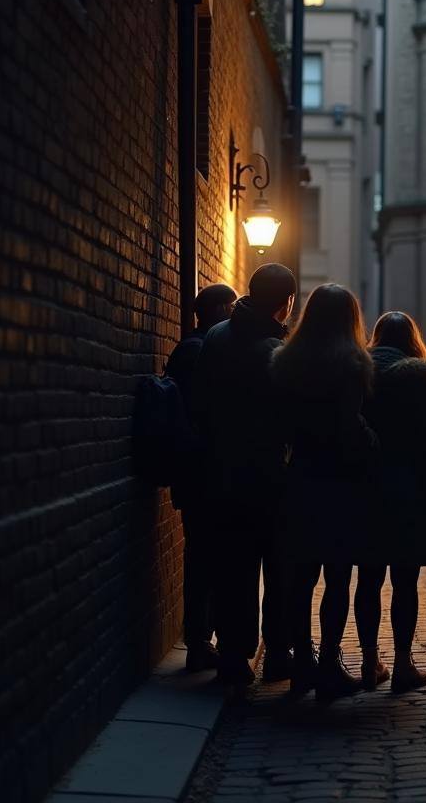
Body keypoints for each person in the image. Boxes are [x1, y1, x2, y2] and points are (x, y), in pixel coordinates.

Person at [270, 284, 380, 702]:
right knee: (337, 578)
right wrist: (373, 441)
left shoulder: (286, 363)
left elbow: (280, 428)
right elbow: (349, 428)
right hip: (340, 483)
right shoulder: (351, 364)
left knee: (300, 579)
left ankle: (303, 665)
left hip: (300, 479)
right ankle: (329, 664)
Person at [191, 263, 296, 686]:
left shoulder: (216, 338)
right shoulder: (277, 351)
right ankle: (277, 655)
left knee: (232, 570)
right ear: (285, 303)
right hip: (270, 477)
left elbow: (197, 405)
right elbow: (290, 419)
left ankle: (234, 656)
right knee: (280, 571)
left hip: (222, 475)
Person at [358, 311, 426, 693]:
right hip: (409, 492)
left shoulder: (358, 374)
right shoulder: (418, 380)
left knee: (367, 579)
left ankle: (369, 662)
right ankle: (402, 664)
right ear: (412, 340)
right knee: (405, 581)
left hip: (365, 490)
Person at [164, 282, 237, 672]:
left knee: (203, 557)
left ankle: (202, 639)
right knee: (210, 559)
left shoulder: (189, 349)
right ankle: (199, 641)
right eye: (230, 307)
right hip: (205, 474)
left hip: (196, 474)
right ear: (220, 310)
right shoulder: (200, 352)